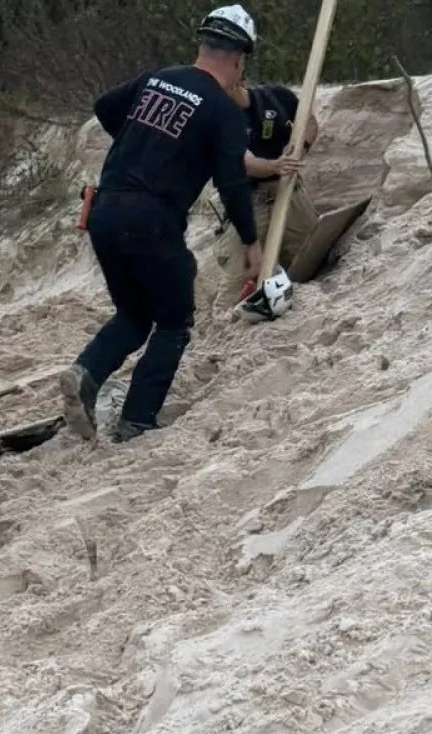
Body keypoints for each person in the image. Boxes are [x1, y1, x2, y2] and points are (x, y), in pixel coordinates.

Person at [58, 6, 262, 444]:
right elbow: (232, 182)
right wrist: (251, 241)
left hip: (104, 210)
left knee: (134, 314)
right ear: (240, 58)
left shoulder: (157, 78)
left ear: (203, 45)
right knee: (174, 320)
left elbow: (105, 107)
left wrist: (146, 141)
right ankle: (137, 419)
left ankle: (86, 372)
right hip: (152, 219)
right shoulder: (223, 112)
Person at [213, 77, 319, 307]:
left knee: (311, 261)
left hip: (289, 193)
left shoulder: (277, 97)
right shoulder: (215, 116)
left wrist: (299, 149)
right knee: (237, 280)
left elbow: (309, 122)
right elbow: (245, 162)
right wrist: (275, 166)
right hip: (247, 202)